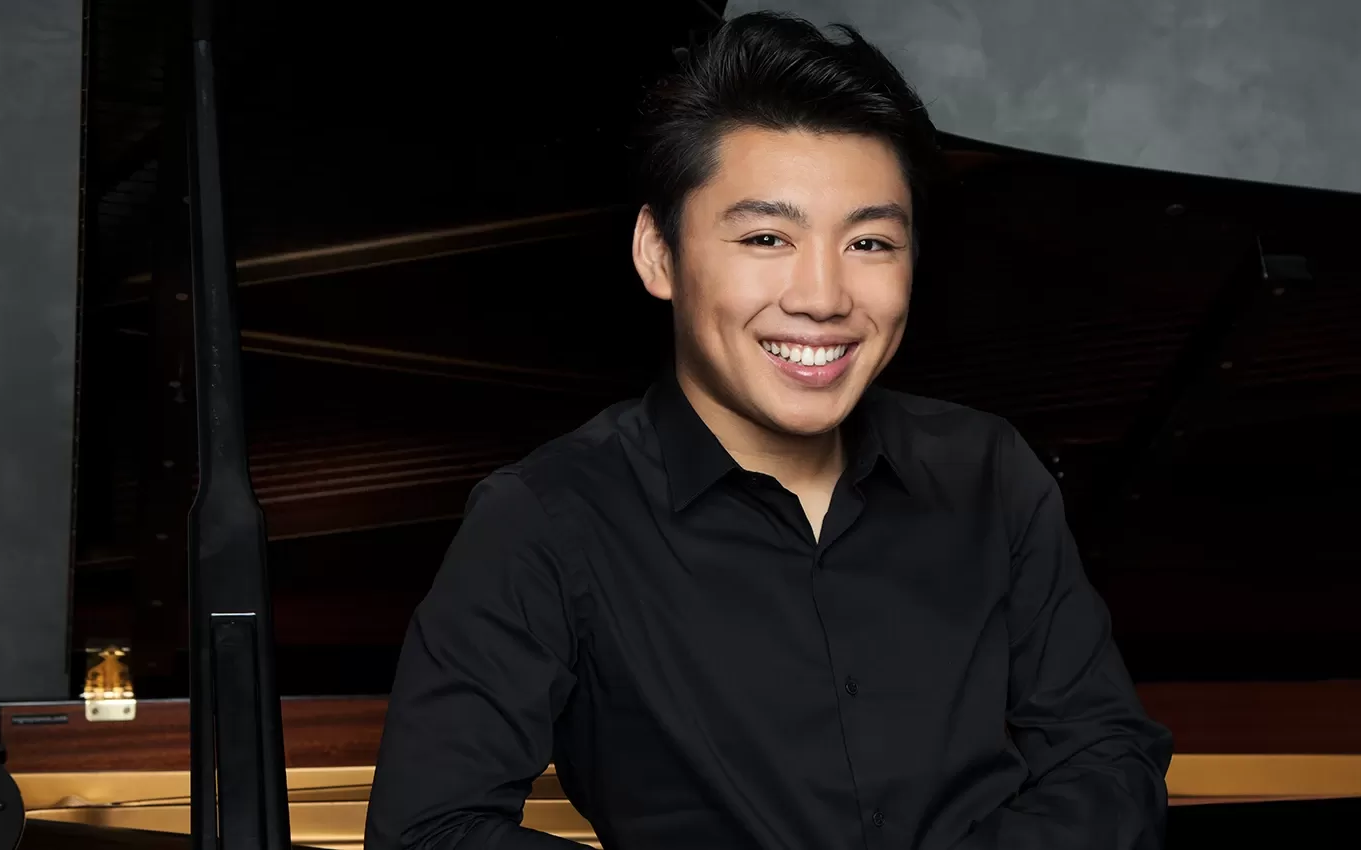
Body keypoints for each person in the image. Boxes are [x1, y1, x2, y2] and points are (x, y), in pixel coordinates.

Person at [365, 11, 1172, 850]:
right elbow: (431, 830)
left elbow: (1108, 757)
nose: (823, 296)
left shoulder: (988, 471)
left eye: (868, 241)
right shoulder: (544, 518)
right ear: (658, 254)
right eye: (765, 237)